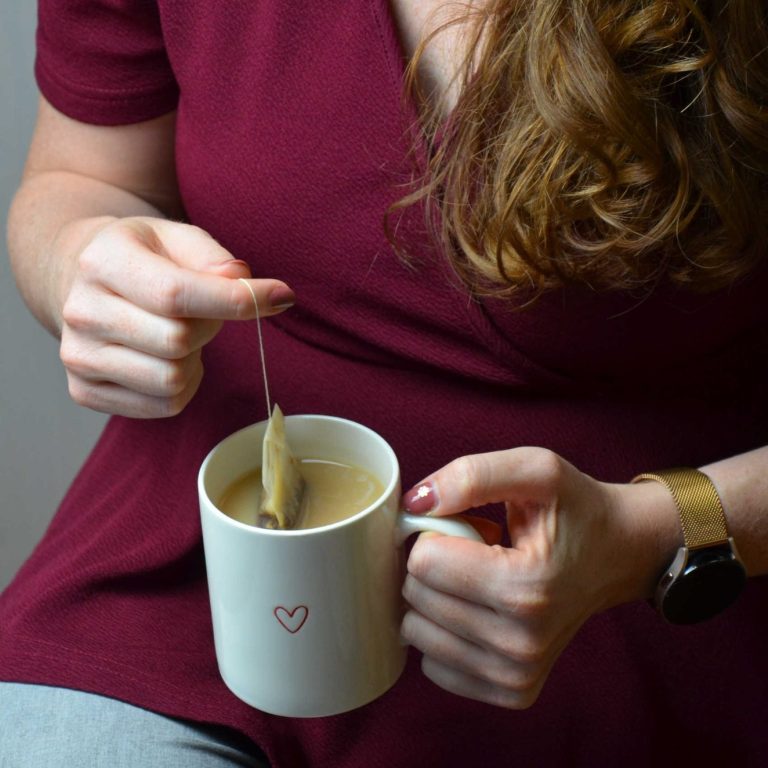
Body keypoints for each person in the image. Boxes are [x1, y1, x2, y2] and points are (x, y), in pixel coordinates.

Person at [2, 1, 767, 766]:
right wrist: (83, 261)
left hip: (642, 608)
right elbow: (80, 180)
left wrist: (650, 537)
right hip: (190, 565)